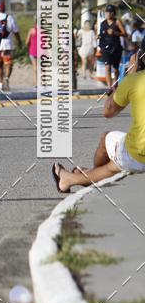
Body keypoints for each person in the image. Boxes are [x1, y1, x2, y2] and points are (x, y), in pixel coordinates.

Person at [52, 40, 145, 192]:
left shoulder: (135, 80)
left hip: (139, 155)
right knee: (116, 162)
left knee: (107, 140)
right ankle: (91, 175)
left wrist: (130, 74)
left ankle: (73, 179)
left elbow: (108, 112)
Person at [98, 4, 126, 92]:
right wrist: (99, 37)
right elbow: (101, 34)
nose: (108, 14)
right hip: (105, 48)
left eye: (110, 12)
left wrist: (114, 32)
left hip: (116, 47)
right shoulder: (103, 23)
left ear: (113, 13)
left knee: (116, 68)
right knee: (107, 66)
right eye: (107, 12)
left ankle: (115, 84)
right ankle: (109, 87)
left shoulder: (117, 22)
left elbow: (125, 34)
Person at [0, 1, 21, 91]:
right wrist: (19, 41)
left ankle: (0, 83)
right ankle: (6, 78)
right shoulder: (9, 18)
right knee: (8, 63)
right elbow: (16, 31)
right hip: (8, 45)